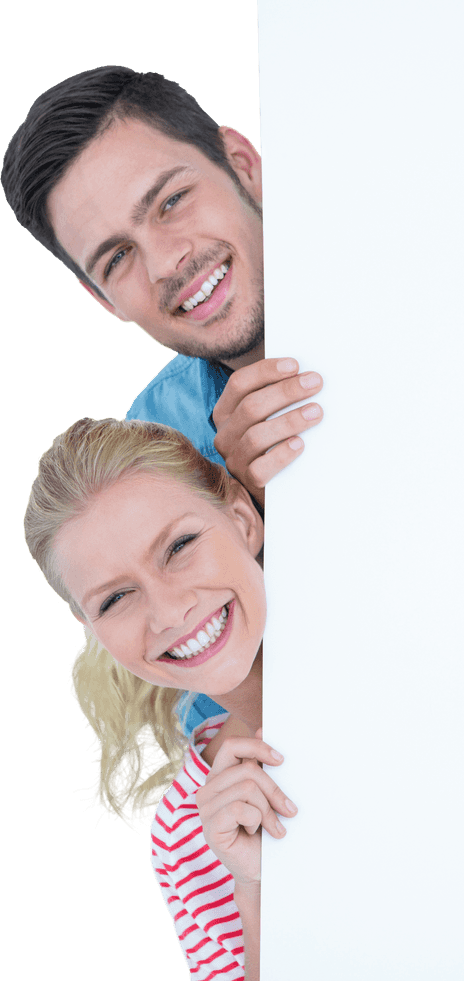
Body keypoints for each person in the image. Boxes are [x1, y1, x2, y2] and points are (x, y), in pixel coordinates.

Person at [3, 66, 324, 728]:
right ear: (102, 298)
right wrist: (256, 507)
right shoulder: (155, 444)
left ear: (243, 166)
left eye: (172, 201)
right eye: (117, 257)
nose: (165, 262)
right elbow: (214, 707)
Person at [24, 416, 291, 981]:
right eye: (115, 598)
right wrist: (256, 889)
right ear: (92, 631)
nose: (168, 613)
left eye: (179, 547)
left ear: (242, 520)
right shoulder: (185, 833)